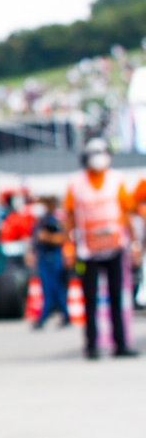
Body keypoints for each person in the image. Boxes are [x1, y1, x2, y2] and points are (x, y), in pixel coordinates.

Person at [64, 138, 138, 359]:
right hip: (87, 251)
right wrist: (69, 246)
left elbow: (127, 214)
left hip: (115, 247)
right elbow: (69, 217)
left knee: (117, 297)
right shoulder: (76, 183)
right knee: (91, 299)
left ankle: (120, 343)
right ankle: (92, 345)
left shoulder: (117, 180)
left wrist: (134, 244)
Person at [29, 199, 71, 330]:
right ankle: (64, 315)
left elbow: (61, 239)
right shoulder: (43, 221)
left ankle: (44, 317)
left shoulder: (53, 222)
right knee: (53, 289)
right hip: (44, 258)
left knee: (52, 289)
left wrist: (46, 237)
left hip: (52, 258)